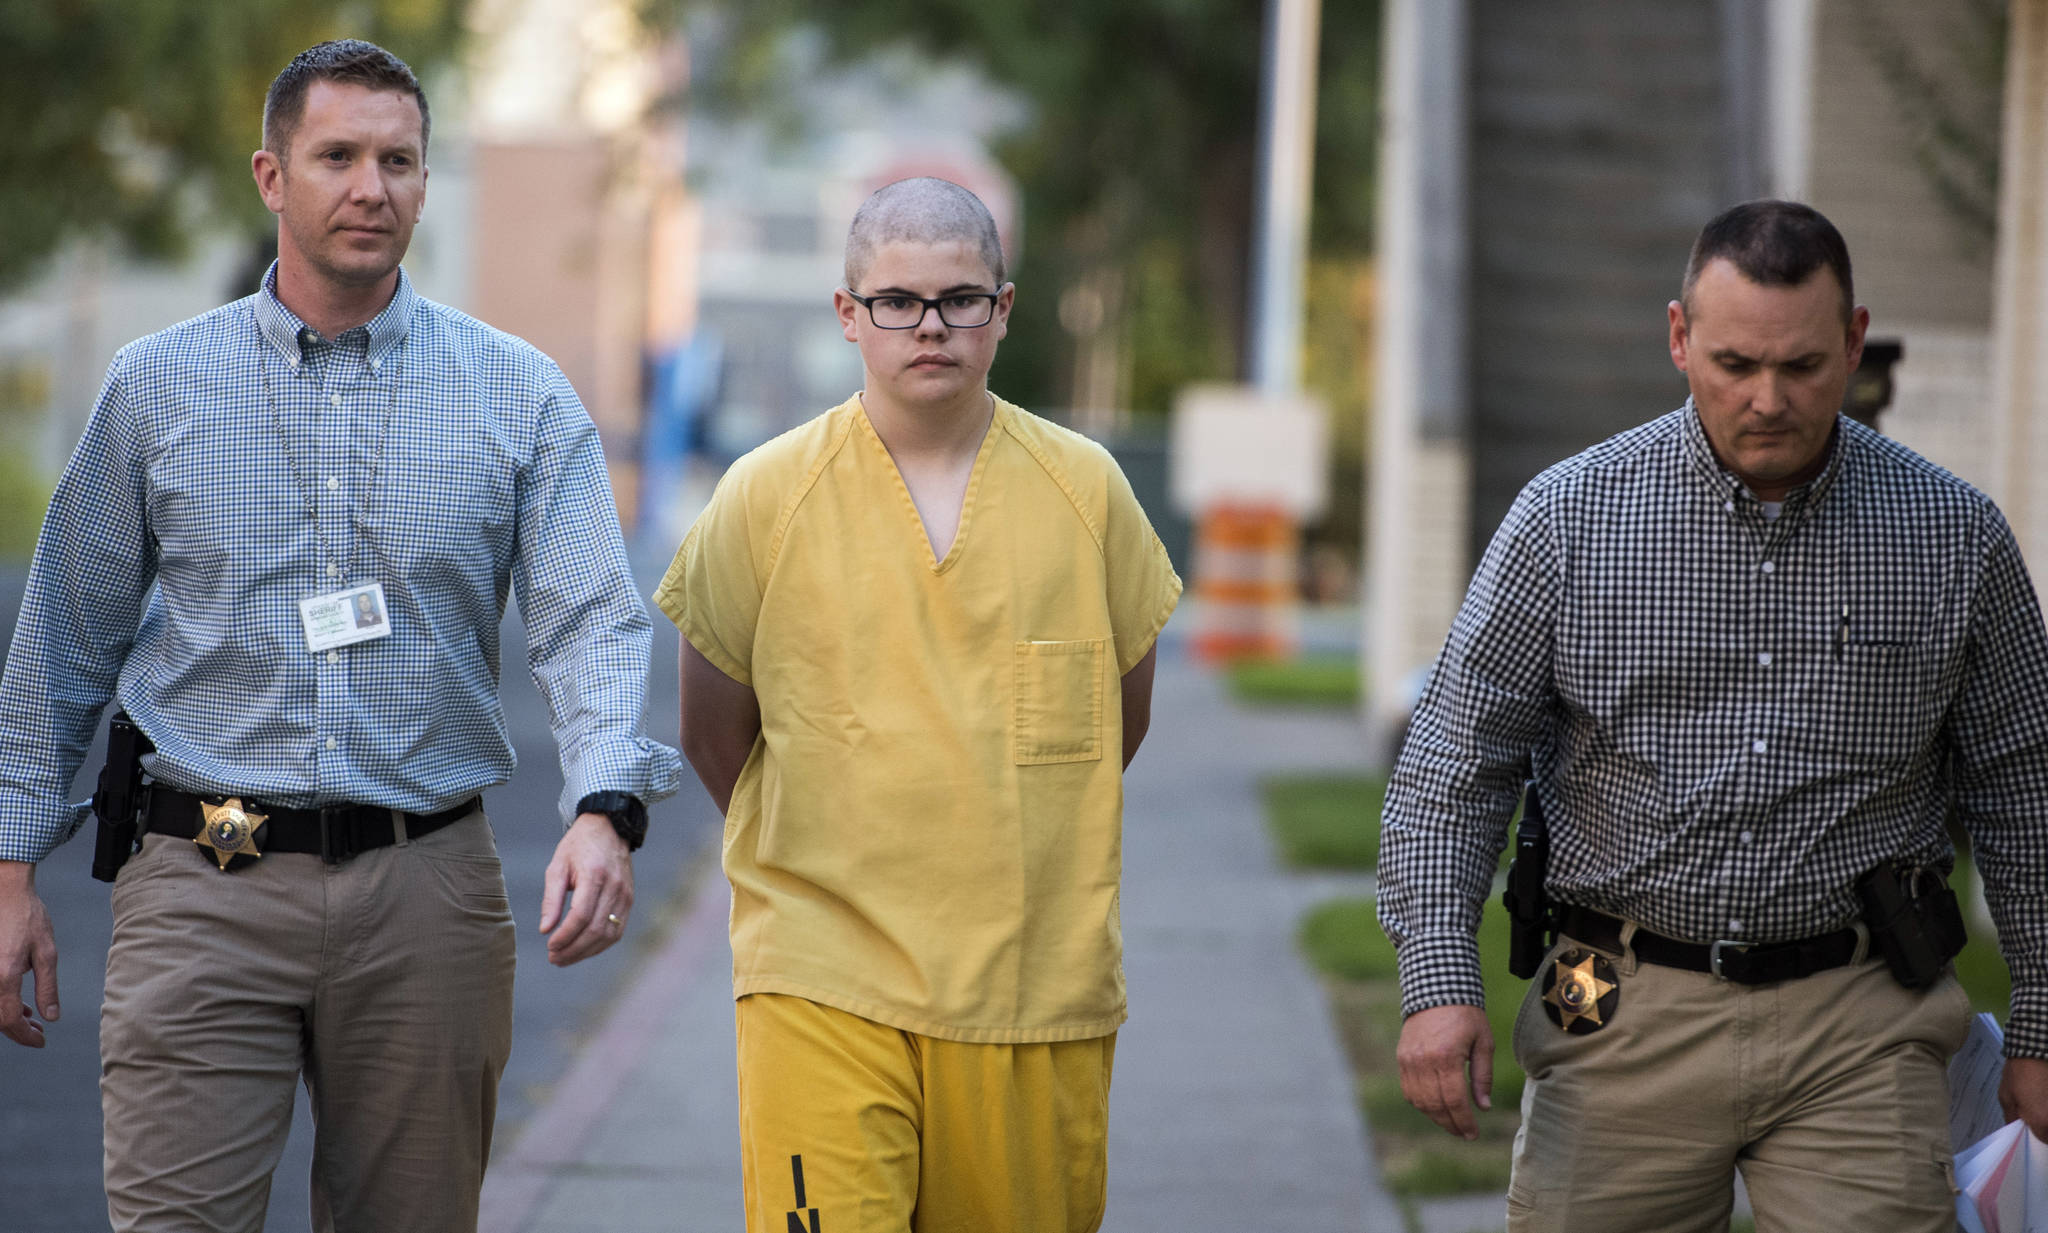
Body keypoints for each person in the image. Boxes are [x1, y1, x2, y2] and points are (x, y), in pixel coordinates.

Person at [0, 39, 681, 1233]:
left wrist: (603, 805)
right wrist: (9, 869)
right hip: (202, 881)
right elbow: (63, 638)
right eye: (339, 157)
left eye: (398, 161)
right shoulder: (158, 385)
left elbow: (590, 620)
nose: (372, 187)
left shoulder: (518, 393)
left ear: (424, 181)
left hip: (427, 895)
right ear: (272, 176)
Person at [1377, 199, 2048, 1231]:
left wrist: (2040, 1023)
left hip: (1863, 1016)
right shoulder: (1566, 520)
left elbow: (2025, 788)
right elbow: (1452, 766)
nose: (1768, 399)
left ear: (1854, 341)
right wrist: (1436, 980)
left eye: (1802, 366)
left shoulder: (1953, 536)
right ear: (1678, 338)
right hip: (1614, 1000)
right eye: (1735, 364)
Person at [655, 176, 1181, 1231]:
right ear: (847, 314)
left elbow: (1114, 725)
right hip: (822, 971)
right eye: (896, 300)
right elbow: (713, 734)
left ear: (1004, 309)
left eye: (959, 298)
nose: (929, 325)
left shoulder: (1087, 493)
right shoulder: (764, 496)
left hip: (1033, 988)